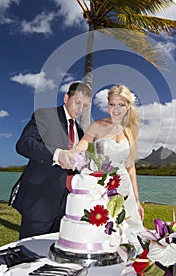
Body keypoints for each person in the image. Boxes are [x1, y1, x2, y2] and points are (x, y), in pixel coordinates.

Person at [61, 84, 144, 241]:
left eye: (121, 105)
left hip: (125, 189)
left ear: (128, 106)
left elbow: (130, 167)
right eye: (112, 104)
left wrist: (138, 201)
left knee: (130, 237)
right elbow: (81, 146)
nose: (116, 109)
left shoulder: (130, 132)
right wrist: (69, 155)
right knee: (103, 235)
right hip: (102, 188)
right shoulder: (97, 126)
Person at [11, 82, 92, 239]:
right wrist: (57, 154)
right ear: (66, 98)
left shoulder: (80, 132)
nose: (80, 109)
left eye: (85, 106)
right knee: (29, 254)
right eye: (77, 102)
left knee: (54, 255)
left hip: (65, 208)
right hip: (39, 201)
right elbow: (24, 144)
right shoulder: (45, 115)